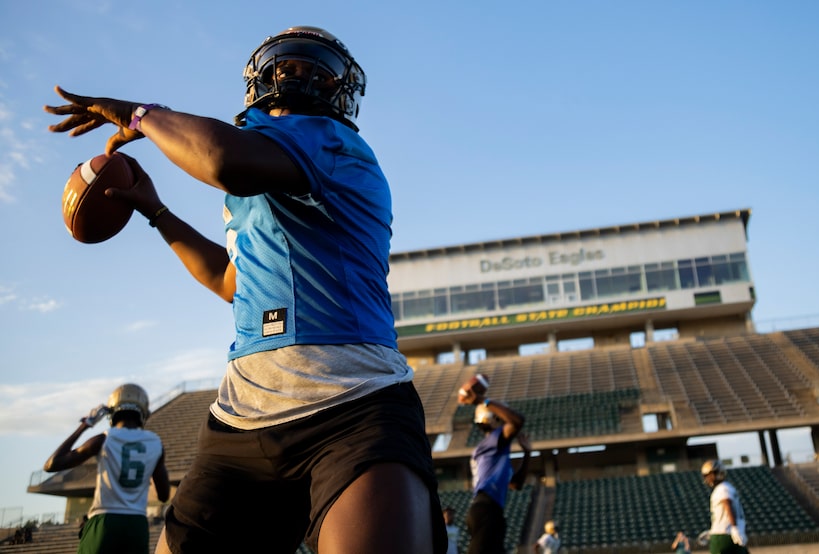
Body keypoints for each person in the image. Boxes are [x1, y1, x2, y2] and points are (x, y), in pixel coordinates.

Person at [45, 25, 446, 554]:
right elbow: (228, 280)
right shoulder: (257, 186)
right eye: (288, 66)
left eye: (315, 69)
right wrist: (157, 212)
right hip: (242, 418)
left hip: (354, 406)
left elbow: (221, 160)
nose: (299, 75)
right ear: (263, 78)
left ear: (338, 90)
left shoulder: (334, 145)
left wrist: (142, 115)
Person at [43, 384, 170, 554]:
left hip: (105, 520)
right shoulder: (155, 443)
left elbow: (52, 465)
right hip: (137, 525)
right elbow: (163, 495)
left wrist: (85, 424)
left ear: (112, 411)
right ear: (143, 412)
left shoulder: (104, 439)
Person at [457, 374, 526, 554]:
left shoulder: (494, 450)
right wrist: (482, 400)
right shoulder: (493, 441)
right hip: (486, 510)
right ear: (494, 419)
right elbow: (517, 420)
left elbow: (515, 484)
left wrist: (527, 453)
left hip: (488, 510)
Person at [701, 459, 748, 554]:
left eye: (708, 475)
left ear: (716, 474)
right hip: (732, 533)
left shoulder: (722, 488)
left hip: (723, 535)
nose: (707, 478)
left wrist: (734, 527)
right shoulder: (728, 487)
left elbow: (727, 505)